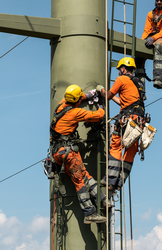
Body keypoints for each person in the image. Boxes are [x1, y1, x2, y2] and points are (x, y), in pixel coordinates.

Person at [50, 84, 108, 224]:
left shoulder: (61, 104)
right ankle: (89, 213)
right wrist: (101, 108)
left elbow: (76, 98)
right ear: (76, 100)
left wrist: (87, 96)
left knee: (85, 175)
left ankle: (103, 200)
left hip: (58, 153)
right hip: (68, 153)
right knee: (80, 182)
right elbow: (96, 116)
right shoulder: (75, 113)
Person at [97, 57, 145, 196]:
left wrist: (101, 89)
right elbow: (126, 102)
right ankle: (119, 183)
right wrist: (113, 97)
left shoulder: (121, 80)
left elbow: (107, 96)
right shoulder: (138, 83)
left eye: (119, 69)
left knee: (116, 146)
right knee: (131, 151)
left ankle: (110, 182)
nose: (119, 71)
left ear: (123, 68)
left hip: (127, 120)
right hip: (138, 122)